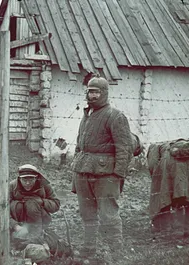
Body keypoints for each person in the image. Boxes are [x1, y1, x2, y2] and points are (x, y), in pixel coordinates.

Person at [71, 75, 133, 258]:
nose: (93, 96)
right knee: (87, 213)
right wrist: (76, 164)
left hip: (106, 175)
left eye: (97, 92)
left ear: (105, 93)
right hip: (83, 172)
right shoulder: (86, 115)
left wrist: (117, 174)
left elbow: (125, 147)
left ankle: (117, 252)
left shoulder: (115, 116)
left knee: (108, 215)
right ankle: (89, 248)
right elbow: (79, 144)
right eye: (90, 91)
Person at [147, 139, 189, 238]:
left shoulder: (154, 147)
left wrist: (156, 177)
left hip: (169, 165)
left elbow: (152, 164)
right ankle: (187, 228)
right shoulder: (187, 146)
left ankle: (167, 227)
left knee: (166, 196)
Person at [9, 164, 60, 239]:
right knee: (16, 205)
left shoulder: (44, 186)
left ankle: (36, 234)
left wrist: (42, 202)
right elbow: (2, 210)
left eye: (31, 180)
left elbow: (56, 204)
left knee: (31, 203)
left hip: (41, 220)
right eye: (24, 180)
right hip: (18, 221)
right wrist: (15, 225)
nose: (27, 183)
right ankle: (19, 232)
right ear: (19, 179)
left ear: (36, 178)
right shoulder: (12, 186)